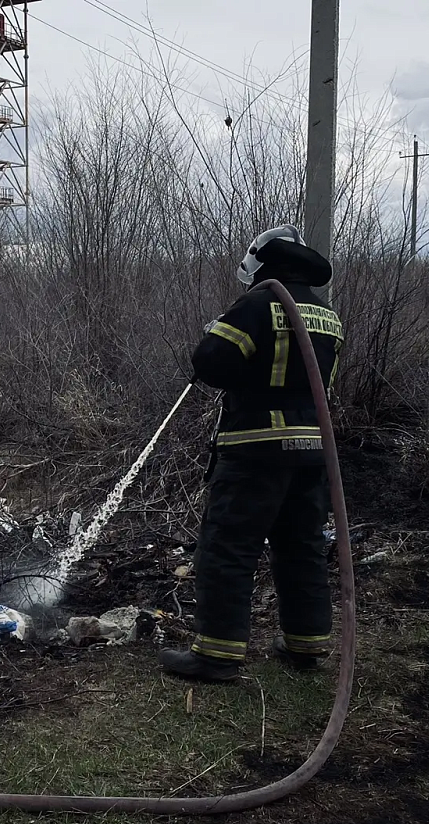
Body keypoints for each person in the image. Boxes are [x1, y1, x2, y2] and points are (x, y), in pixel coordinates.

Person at [158, 225, 344, 682]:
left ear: (262, 264)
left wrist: (215, 334)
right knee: (301, 546)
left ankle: (216, 654)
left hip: (255, 448)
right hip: (312, 452)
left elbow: (210, 362)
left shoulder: (259, 303)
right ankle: (307, 643)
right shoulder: (327, 314)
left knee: (229, 546)